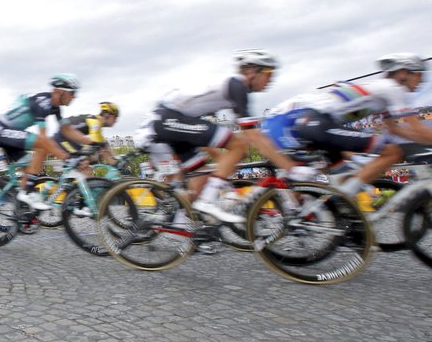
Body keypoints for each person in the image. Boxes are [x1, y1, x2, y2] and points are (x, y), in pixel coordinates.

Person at [133, 50, 296, 223]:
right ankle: (208, 201)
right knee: (238, 145)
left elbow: (207, 137)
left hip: (173, 122)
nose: (271, 80)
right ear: (251, 71)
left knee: (201, 177)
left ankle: (180, 224)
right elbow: (251, 135)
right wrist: (290, 166)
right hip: (167, 119)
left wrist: (225, 161)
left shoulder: (231, 90)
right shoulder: (237, 85)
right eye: (268, 74)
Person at [263, 53, 432, 197]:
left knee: (345, 171)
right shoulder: (393, 89)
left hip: (313, 124)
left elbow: (396, 129)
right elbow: (417, 129)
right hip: (319, 123)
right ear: (404, 73)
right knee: (392, 152)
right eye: (419, 75)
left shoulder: (382, 91)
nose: (421, 81)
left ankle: (332, 209)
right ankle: (344, 198)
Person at [0, 74, 90, 210]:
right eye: (73, 93)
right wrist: (67, 158)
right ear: (61, 92)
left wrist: (92, 142)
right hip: (0, 130)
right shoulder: (42, 102)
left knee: (31, 168)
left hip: (11, 133)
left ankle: (22, 212)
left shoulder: (55, 107)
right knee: (42, 145)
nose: (75, 96)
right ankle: (27, 192)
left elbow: (66, 130)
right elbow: (43, 139)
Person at [54, 101, 120, 168]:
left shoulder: (96, 122)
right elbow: (98, 145)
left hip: (68, 138)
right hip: (63, 137)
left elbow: (104, 144)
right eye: (115, 117)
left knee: (91, 160)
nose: (116, 120)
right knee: (83, 164)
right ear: (107, 115)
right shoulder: (95, 122)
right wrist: (113, 163)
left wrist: (114, 158)